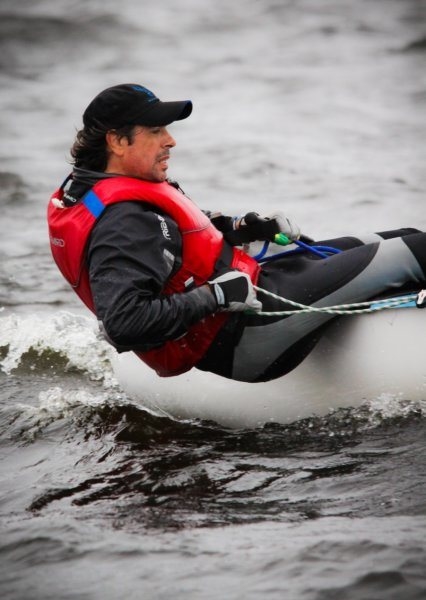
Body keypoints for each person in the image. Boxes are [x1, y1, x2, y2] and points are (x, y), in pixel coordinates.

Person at [48, 83, 426, 382]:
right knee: (418, 249)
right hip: (245, 333)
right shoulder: (121, 224)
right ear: (117, 141)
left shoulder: (97, 189)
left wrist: (240, 227)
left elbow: (172, 239)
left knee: (403, 235)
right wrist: (216, 296)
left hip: (253, 290)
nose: (171, 140)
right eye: (156, 130)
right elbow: (124, 324)